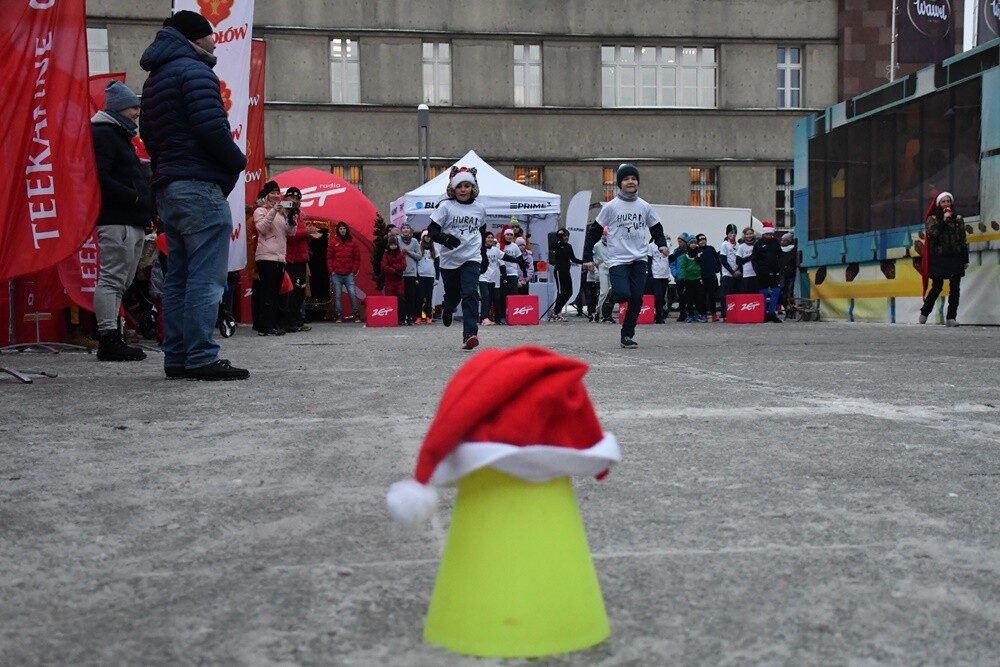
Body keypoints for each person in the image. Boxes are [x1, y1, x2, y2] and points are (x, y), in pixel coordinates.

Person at [140, 10, 249, 380]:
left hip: (169, 186)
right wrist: (238, 161)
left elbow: (149, 137)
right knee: (206, 277)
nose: (215, 42)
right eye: (210, 34)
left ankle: (177, 356)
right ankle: (201, 356)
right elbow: (212, 129)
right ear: (195, 37)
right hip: (199, 186)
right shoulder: (196, 71)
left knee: (178, 278)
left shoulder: (155, 79)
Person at [91, 80, 152, 362]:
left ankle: (114, 335)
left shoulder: (118, 135)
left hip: (129, 219)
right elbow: (99, 176)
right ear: (117, 107)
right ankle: (108, 338)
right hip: (118, 219)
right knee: (112, 279)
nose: (137, 112)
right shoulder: (104, 134)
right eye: (132, 107)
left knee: (121, 281)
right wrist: (135, 197)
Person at [583, 164, 669, 349]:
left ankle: (627, 335)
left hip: (639, 258)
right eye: (626, 179)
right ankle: (611, 297)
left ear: (638, 182)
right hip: (618, 259)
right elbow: (593, 232)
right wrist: (587, 257)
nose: (630, 182)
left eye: (634, 179)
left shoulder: (644, 206)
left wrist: (661, 244)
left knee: (637, 298)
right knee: (623, 293)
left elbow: (656, 228)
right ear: (619, 183)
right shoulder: (611, 207)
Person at [426, 166, 486, 350]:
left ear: (473, 188)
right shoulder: (446, 206)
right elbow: (432, 231)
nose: (463, 190)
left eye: (467, 186)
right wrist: (444, 238)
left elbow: (482, 231)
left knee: (470, 293)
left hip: (472, 257)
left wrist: (483, 255)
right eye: (459, 186)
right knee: (453, 295)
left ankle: (470, 334)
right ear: (453, 188)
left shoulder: (480, 208)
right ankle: (448, 306)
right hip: (450, 259)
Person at [919, 192, 969, 326]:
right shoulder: (932, 219)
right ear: (939, 204)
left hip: (955, 257)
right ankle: (925, 312)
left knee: (955, 289)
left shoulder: (958, 219)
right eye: (943, 202)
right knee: (937, 287)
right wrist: (944, 221)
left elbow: (963, 239)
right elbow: (933, 234)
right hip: (939, 258)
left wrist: (965, 259)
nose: (946, 204)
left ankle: (951, 317)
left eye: (948, 201)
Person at [253, 181, 294, 336]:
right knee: (267, 292)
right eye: (273, 193)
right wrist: (273, 211)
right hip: (266, 256)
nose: (276, 195)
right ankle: (264, 326)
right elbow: (262, 228)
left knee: (276, 292)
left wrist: (292, 218)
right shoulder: (260, 210)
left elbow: (290, 233)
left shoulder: (282, 211)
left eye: (278, 193)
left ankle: (273, 323)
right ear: (266, 195)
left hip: (280, 257)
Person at [281, 187, 321, 332]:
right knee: (290, 292)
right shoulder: (283, 210)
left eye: (298, 199)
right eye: (292, 198)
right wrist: (306, 232)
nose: (295, 201)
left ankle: (297, 320)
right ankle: (289, 321)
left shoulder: (298, 213)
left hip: (301, 257)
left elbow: (300, 235)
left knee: (299, 292)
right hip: (289, 257)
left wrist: (310, 234)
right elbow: (289, 233)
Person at [751, 221, 791, 323]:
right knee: (763, 291)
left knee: (776, 290)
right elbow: (754, 259)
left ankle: (772, 312)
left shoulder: (775, 242)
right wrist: (757, 271)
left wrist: (781, 268)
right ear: (763, 234)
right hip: (763, 272)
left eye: (770, 234)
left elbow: (781, 255)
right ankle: (764, 313)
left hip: (775, 271)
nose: (769, 236)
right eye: (767, 234)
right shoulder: (758, 244)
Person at [326, 221, 361, 322]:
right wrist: (331, 271)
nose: (342, 230)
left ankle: (356, 315)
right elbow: (329, 257)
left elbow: (357, 258)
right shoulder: (333, 242)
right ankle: (338, 315)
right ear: (338, 230)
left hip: (349, 274)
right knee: (337, 296)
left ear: (347, 230)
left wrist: (353, 271)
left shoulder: (353, 242)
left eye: (344, 228)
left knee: (353, 294)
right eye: (341, 229)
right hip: (336, 274)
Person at [549, 228, 582, 321]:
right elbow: (551, 246)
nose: (566, 237)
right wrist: (559, 237)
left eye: (567, 236)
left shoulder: (569, 246)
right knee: (561, 292)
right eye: (564, 236)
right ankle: (556, 313)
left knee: (569, 292)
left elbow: (573, 259)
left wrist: (584, 262)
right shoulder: (558, 245)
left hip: (566, 271)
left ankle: (557, 310)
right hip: (559, 271)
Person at [399, 223, 422, 326]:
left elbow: (419, 256)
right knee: (401, 296)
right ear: (401, 230)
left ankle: (410, 317)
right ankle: (401, 317)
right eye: (404, 228)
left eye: (408, 228)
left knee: (411, 296)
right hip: (400, 272)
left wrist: (408, 252)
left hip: (411, 273)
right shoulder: (397, 240)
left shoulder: (414, 241)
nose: (406, 230)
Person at [696, 233, 722, 321]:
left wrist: (717, 268)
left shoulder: (710, 249)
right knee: (702, 296)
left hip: (711, 276)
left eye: (704, 240)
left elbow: (717, 259)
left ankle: (714, 313)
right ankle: (703, 314)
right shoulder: (697, 250)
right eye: (700, 240)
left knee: (712, 296)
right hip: (701, 277)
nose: (702, 242)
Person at [479, 232, 504, 325]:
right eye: (488, 237)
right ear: (484, 239)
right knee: (485, 297)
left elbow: (505, 257)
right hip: (482, 277)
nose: (490, 239)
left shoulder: (495, 250)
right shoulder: (480, 250)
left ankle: (486, 317)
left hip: (492, 278)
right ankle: (483, 318)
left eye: (491, 237)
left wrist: (518, 260)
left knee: (490, 298)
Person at [381, 235, 407, 321]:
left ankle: (401, 318)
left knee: (401, 299)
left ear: (397, 245)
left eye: (394, 244)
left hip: (399, 280)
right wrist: (394, 271)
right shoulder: (386, 255)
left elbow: (404, 266)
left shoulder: (401, 254)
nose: (393, 246)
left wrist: (393, 266)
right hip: (389, 280)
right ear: (388, 245)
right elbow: (384, 267)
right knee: (390, 299)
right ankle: (390, 318)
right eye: (391, 245)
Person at [679, 237, 705, 322]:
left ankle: (699, 314)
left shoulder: (699, 254)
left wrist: (699, 261)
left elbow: (702, 264)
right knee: (689, 298)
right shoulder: (685, 255)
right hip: (688, 279)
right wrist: (682, 277)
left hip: (698, 278)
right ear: (688, 245)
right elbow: (683, 267)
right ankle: (690, 315)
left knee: (699, 297)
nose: (693, 245)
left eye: (695, 243)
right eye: (691, 243)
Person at [648, 235, 672, 323]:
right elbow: (649, 261)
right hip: (656, 274)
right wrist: (650, 274)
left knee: (662, 296)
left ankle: (661, 313)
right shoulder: (651, 246)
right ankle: (658, 316)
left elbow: (671, 258)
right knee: (658, 295)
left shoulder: (667, 245)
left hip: (665, 274)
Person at [415, 230, 437, 324]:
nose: (427, 238)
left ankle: (428, 316)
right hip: (421, 275)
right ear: (423, 237)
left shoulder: (434, 249)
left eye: (429, 236)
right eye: (426, 236)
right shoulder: (419, 248)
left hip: (430, 275)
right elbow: (415, 262)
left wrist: (437, 278)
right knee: (419, 297)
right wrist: (416, 276)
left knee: (429, 297)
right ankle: (418, 316)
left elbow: (437, 264)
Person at [718, 224, 740, 321]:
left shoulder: (738, 245)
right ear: (727, 234)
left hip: (737, 274)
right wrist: (732, 272)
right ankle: (725, 313)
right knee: (725, 295)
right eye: (731, 233)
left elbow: (740, 259)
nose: (733, 235)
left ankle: (734, 312)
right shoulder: (725, 245)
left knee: (735, 294)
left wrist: (738, 270)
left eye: (735, 233)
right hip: (727, 274)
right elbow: (723, 260)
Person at [592, 226, 613, 322]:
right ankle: (599, 312)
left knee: (611, 291)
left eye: (606, 234)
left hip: (612, 269)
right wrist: (596, 263)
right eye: (603, 234)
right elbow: (592, 257)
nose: (604, 236)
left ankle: (607, 313)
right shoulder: (597, 245)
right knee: (604, 291)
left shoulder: (613, 244)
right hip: (603, 269)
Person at [668, 232, 690, 322]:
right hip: (679, 277)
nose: (679, 243)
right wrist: (675, 273)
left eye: (680, 242)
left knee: (688, 296)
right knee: (681, 297)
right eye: (678, 242)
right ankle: (682, 314)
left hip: (688, 277)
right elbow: (672, 263)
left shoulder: (689, 251)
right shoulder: (676, 251)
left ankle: (690, 313)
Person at [734, 227, 758, 295]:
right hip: (746, 274)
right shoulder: (741, 247)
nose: (749, 236)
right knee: (747, 294)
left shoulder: (756, 245)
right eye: (747, 234)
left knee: (755, 295)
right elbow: (738, 261)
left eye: (750, 233)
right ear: (744, 235)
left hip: (756, 273)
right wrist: (750, 257)